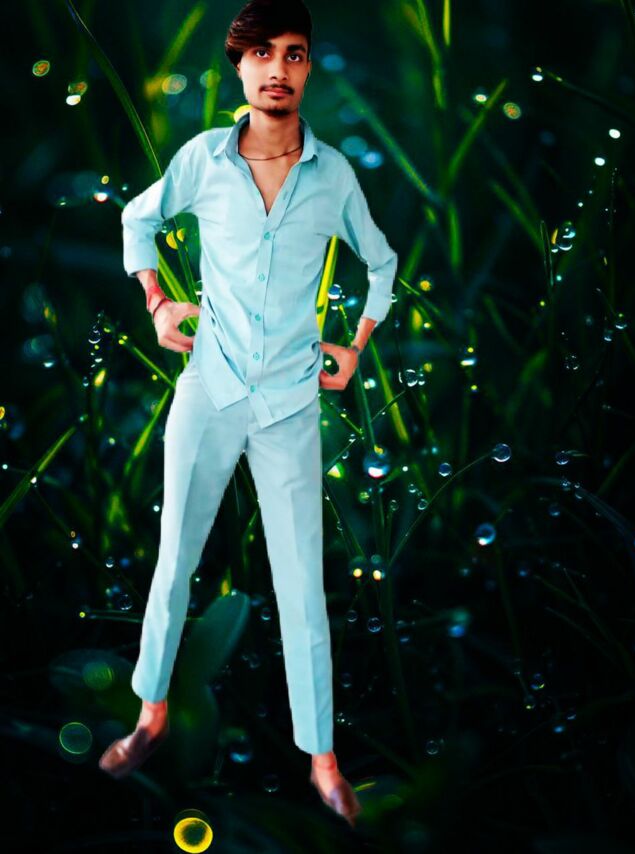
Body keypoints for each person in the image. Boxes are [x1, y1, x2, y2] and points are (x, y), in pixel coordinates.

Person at [98, 0, 398, 829]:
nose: (277, 69)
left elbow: (381, 261)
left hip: (291, 400)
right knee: (175, 560)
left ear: (308, 68)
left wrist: (356, 345)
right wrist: (157, 300)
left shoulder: (333, 175)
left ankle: (323, 760)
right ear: (238, 66)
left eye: (293, 54)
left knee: (303, 583)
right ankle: (151, 714)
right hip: (211, 387)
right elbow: (138, 216)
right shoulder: (203, 159)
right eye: (261, 54)